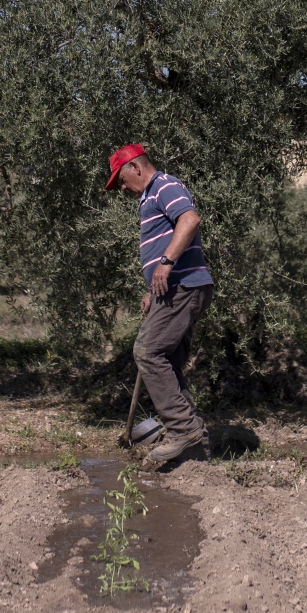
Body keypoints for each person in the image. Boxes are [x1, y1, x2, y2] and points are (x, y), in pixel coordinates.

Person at [104, 143, 213, 470]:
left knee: (147, 352)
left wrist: (165, 263)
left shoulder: (163, 185)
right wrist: (153, 287)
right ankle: (196, 446)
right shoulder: (148, 196)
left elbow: (190, 220)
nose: (122, 188)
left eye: (121, 179)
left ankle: (183, 431)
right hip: (173, 288)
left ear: (136, 168)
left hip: (182, 284)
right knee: (169, 360)